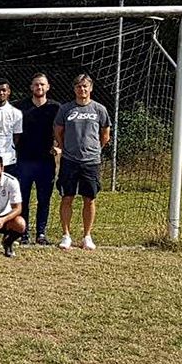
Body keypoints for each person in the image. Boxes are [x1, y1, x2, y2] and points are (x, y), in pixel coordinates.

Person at [54, 73, 111, 251]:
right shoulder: (66, 109)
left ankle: (87, 236)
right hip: (69, 160)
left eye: (85, 86)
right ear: (74, 89)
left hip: (91, 162)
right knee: (67, 197)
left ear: (90, 88)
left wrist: (95, 149)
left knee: (89, 199)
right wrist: (64, 147)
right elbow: (58, 131)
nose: (82, 89)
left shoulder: (99, 109)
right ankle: (66, 235)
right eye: (79, 86)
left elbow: (105, 134)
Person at [14, 73, 61, 246]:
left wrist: (58, 146)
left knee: (44, 199)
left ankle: (41, 233)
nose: (39, 87)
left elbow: (62, 129)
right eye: (36, 84)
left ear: (48, 87)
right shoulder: (20, 107)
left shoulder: (56, 108)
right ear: (31, 87)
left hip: (45, 161)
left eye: (42, 84)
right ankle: (23, 233)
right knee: (23, 198)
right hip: (24, 160)